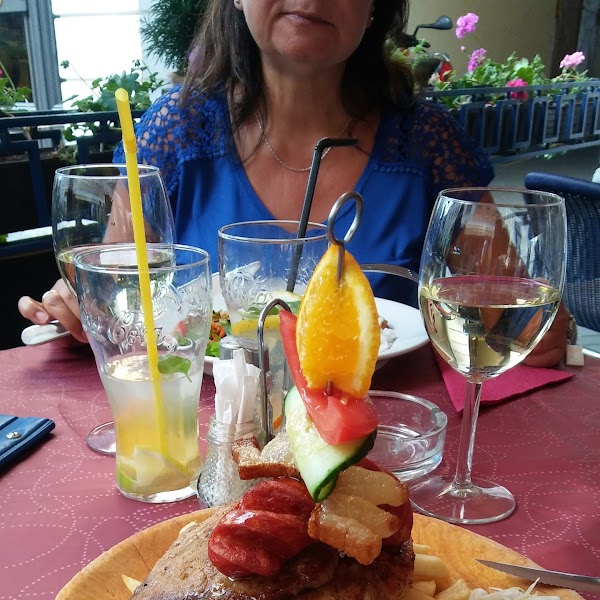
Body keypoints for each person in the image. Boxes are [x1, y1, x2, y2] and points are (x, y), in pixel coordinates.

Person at [18, 0, 563, 364]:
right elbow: (120, 304)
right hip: (204, 442)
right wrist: (86, 317)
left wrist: (526, 329)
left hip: (393, 444)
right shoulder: (175, 132)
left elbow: (524, 327)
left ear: (375, 6)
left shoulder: (426, 144)